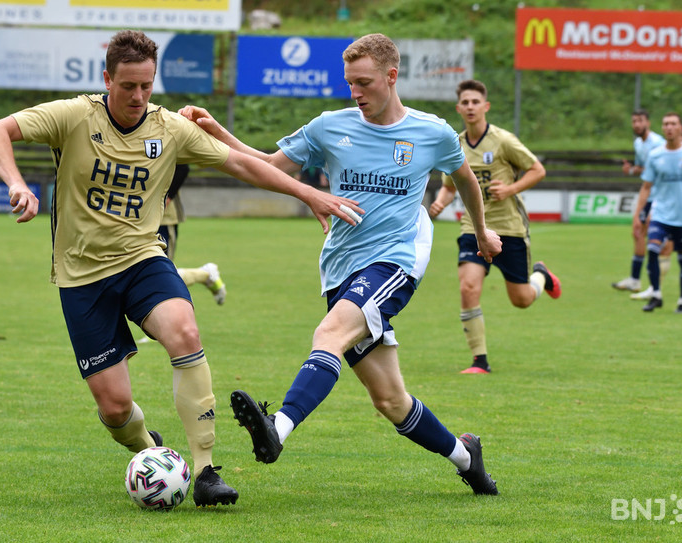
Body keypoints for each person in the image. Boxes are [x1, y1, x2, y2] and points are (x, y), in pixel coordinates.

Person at [0, 29, 361, 508]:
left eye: (147, 86)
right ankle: (153, 453)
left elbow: (241, 165)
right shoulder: (74, 115)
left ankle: (204, 472)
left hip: (142, 258)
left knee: (184, 332)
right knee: (115, 408)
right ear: (107, 79)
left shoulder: (169, 128)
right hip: (80, 276)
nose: (138, 96)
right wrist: (16, 183)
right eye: (128, 86)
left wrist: (308, 192)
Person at [182, 33, 502, 495]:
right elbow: (269, 165)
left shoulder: (431, 132)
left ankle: (279, 428)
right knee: (391, 400)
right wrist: (218, 132)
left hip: (394, 265)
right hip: (340, 269)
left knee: (328, 335)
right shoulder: (329, 126)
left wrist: (480, 228)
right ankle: (465, 456)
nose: (355, 92)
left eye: (364, 82)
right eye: (350, 82)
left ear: (391, 77)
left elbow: (466, 181)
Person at [428, 79, 560, 375]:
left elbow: (538, 170)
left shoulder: (503, 140)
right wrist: (440, 201)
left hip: (509, 229)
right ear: (458, 108)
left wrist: (511, 189)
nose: (471, 107)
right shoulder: (456, 144)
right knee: (468, 287)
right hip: (473, 228)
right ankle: (480, 362)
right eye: (466, 102)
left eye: (476, 102)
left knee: (522, 300)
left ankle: (541, 276)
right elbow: (450, 186)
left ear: (485, 106)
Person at [633, 113, 682, 313]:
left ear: (680, 128)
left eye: (673, 124)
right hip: (661, 214)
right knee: (653, 249)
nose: (668, 127)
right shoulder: (655, 155)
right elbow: (647, 186)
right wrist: (639, 213)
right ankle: (656, 294)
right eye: (665, 124)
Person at [612, 109, 666, 293]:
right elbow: (644, 169)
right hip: (649, 194)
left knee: (658, 238)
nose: (636, 124)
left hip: (661, 196)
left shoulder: (658, 143)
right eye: (634, 121)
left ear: (648, 123)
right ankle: (636, 280)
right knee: (638, 233)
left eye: (640, 121)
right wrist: (631, 170)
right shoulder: (638, 143)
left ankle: (653, 283)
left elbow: (663, 168)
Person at [161, 164, 226, 306]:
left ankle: (205, 275)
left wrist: (168, 196)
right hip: (135, 219)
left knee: (160, 276)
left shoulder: (165, 142)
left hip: (164, 219)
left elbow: (182, 167)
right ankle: (205, 274)